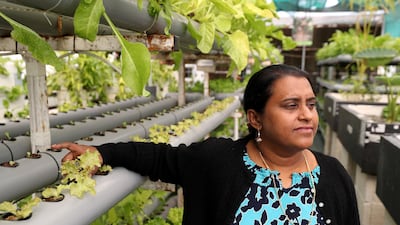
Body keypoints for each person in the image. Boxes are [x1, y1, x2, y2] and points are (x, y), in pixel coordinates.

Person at [52, 64, 360, 225]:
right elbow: (158, 158)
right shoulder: (218, 161)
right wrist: (102, 152)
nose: (307, 115)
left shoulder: (333, 175)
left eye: (311, 104)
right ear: (255, 119)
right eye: (291, 106)